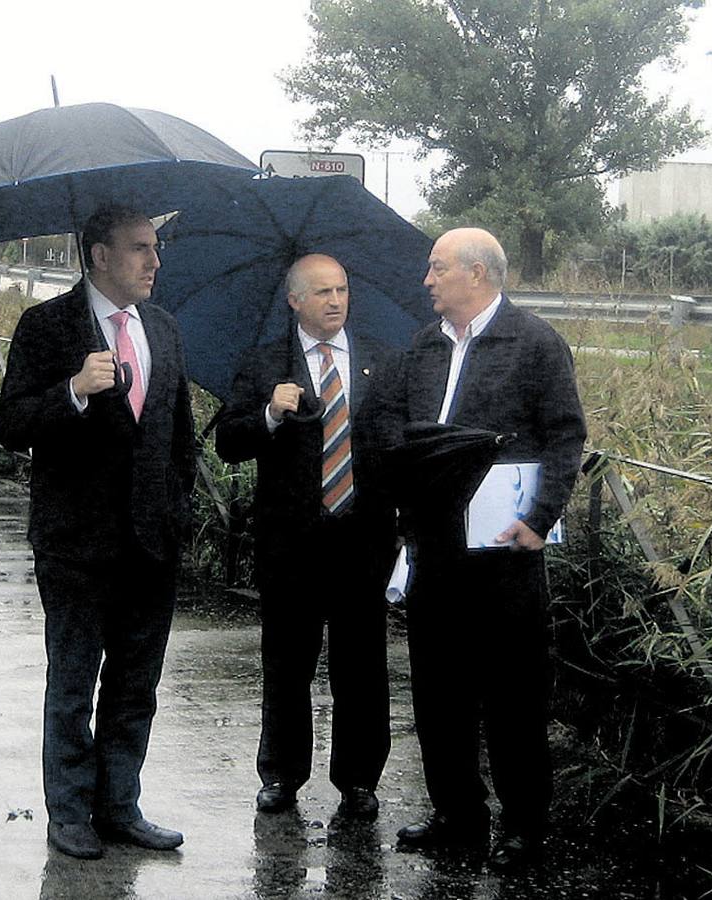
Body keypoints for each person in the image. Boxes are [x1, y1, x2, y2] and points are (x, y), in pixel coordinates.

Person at [0, 205, 196, 860]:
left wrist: (177, 512)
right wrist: (75, 390)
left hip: (150, 547)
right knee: (74, 684)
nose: (154, 261)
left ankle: (120, 806)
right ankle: (70, 811)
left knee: (136, 687)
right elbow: (12, 424)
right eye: (140, 248)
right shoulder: (46, 326)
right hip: (75, 546)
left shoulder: (161, 329)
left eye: (156, 247)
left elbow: (179, 438)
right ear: (99, 256)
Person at [387, 228, 587, 871]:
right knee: (437, 689)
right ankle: (456, 814)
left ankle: (525, 826)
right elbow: (391, 424)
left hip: (505, 553)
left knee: (513, 695)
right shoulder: (421, 348)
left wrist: (540, 517)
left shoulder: (535, 343)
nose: (426, 280)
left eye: (436, 268)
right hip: (436, 547)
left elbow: (565, 436)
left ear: (476, 273)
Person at [214, 253, 398, 823]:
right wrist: (269, 414)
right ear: (295, 300)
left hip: (362, 541)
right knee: (287, 664)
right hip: (291, 543)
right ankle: (282, 775)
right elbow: (228, 440)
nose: (336, 301)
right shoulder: (267, 362)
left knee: (362, 667)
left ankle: (360, 780)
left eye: (342, 289)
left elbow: (396, 442)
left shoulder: (380, 362)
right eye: (321, 292)